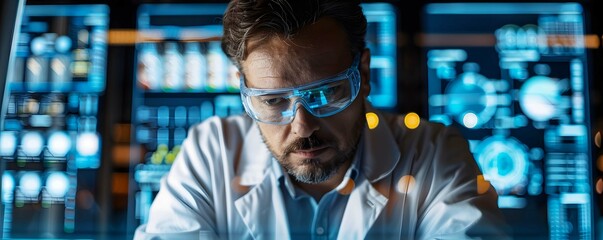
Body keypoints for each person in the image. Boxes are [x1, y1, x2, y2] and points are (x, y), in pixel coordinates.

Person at [134, 0, 510, 239]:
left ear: (363, 73)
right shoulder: (211, 151)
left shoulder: (433, 153)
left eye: (325, 92)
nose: (303, 127)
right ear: (244, 91)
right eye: (273, 100)